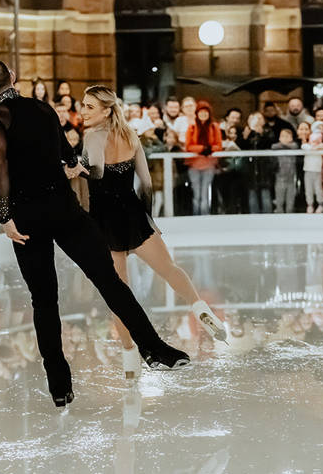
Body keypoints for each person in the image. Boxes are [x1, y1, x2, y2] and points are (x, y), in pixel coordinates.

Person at [0, 61, 188, 406]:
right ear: (13, 78)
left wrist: (5, 216)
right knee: (109, 281)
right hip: (63, 209)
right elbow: (68, 155)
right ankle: (155, 349)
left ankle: (60, 386)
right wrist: (72, 165)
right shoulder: (44, 108)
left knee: (45, 299)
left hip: (27, 217)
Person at [79, 85, 225, 378]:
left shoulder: (93, 136)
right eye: (83, 105)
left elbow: (95, 172)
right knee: (169, 269)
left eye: (89, 107)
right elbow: (145, 184)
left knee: (121, 294)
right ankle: (198, 306)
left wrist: (76, 168)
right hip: (134, 214)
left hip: (105, 221)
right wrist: (147, 219)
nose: (83, 111)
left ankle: (130, 354)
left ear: (106, 110)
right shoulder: (130, 135)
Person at [184, 100, 222, 216]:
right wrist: (202, 149)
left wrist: (210, 149)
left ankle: (204, 216)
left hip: (208, 165)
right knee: (197, 193)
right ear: (197, 114)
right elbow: (188, 146)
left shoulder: (214, 127)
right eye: (201, 112)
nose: (203, 115)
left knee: (205, 192)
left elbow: (219, 145)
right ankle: (196, 215)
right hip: (194, 165)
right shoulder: (192, 127)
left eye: (206, 112)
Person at [270, 126, 300, 213]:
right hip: (280, 177)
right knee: (279, 200)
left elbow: (294, 146)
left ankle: (289, 215)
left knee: (290, 202)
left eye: (287, 136)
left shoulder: (294, 146)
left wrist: (285, 144)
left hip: (291, 179)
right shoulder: (276, 147)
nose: (285, 138)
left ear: (291, 138)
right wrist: (283, 144)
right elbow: (273, 146)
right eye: (283, 136)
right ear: (279, 138)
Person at [303, 123, 323, 213]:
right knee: (308, 189)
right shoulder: (306, 145)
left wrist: (319, 146)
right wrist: (312, 147)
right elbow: (305, 147)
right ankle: (310, 204)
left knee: (318, 188)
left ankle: (320, 204)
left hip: (317, 170)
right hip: (308, 170)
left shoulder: (322, 146)